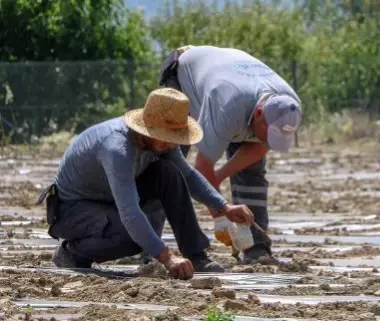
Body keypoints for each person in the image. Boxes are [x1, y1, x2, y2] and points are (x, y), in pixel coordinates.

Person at [36, 88, 254, 280]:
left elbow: (187, 175)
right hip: (74, 210)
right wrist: (167, 258)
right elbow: (130, 213)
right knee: (134, 238)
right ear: (147, 128)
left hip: (107, 198)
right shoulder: (117, 149)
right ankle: (71, 252)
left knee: (170, 173)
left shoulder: (163, 143)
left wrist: (224, 207)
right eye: (165, 136)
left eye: (174, 136)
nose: (171, 143)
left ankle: (196, 256)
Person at [158, 45, 302, 264]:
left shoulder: (289, 108)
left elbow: (260, 145)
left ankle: (255, 249)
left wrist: (220, 176)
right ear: (260, 114)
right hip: (185, 73)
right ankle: (150, 249)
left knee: (251, 173)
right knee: (165, 165)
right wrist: (221, 216)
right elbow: (203, 167)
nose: (268, 139)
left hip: (231, 82)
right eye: (268, 133)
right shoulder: (227, 105)